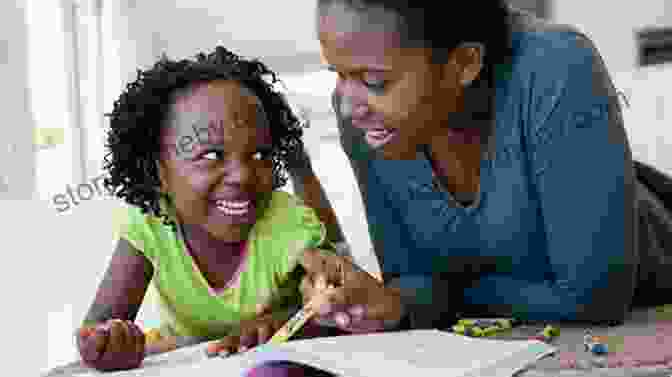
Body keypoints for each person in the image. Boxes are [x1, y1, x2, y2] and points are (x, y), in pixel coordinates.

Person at [292, 0, 672, 333]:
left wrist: (427, 300)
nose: (346, 105)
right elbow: (409, 281)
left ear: (464, 64)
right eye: (338, 74)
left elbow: (594, 297)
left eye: (374, 81)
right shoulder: (366, 120)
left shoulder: (555, 66)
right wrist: (374, 299)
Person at [74, 46, 341, 371]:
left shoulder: (287, 222)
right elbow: (96, 330)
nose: (243, 175)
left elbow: (339, 301)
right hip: (185, 348)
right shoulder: (151, 225)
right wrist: (110, 341)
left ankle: (303, 171)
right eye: (212, 155)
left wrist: (286, 321)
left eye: (259, 155)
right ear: (160, 172)